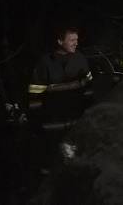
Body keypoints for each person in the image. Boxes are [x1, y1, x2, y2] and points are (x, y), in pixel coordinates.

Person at [27, 26, 94, 171]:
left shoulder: (80, 59)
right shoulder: (45, 63)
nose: (76, 43)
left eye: (76, 39)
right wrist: (36, 118)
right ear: (59, 41)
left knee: (79, 160)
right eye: (71, 40)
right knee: (53, 163)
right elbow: (34, 94)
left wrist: (89, 110)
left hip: (76, 120)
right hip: (53, 123)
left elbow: (89, 89)